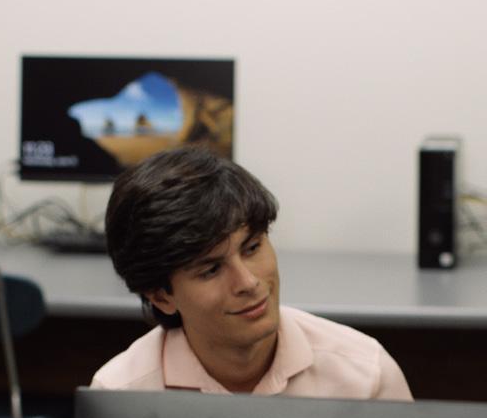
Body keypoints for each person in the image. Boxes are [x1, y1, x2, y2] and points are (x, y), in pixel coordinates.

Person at [91, 146, 413, 400]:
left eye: (252, 248)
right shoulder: (120, 395)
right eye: (211, 269)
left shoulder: (365, 377)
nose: (248, 282)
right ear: (161, 297)